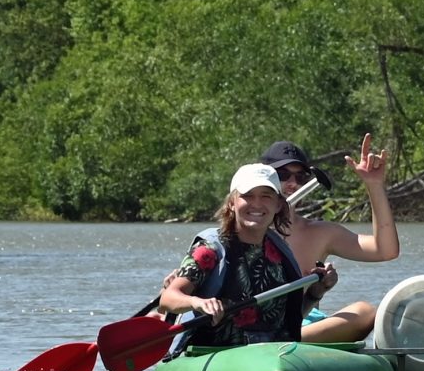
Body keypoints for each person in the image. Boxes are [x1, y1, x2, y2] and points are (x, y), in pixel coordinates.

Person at [160, 135, 398, 345]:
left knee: (366, 311)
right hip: (228, 344)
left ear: (276, 203)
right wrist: (193, 299)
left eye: (301, 176)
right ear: (232, 202)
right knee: (158, 316)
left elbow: (385, 250)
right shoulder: (213, 245)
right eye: (283, 175)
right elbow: (169, 298)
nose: (293, 183)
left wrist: (374, 185)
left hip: (284, 334)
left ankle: (284, 349)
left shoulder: (281, 251)